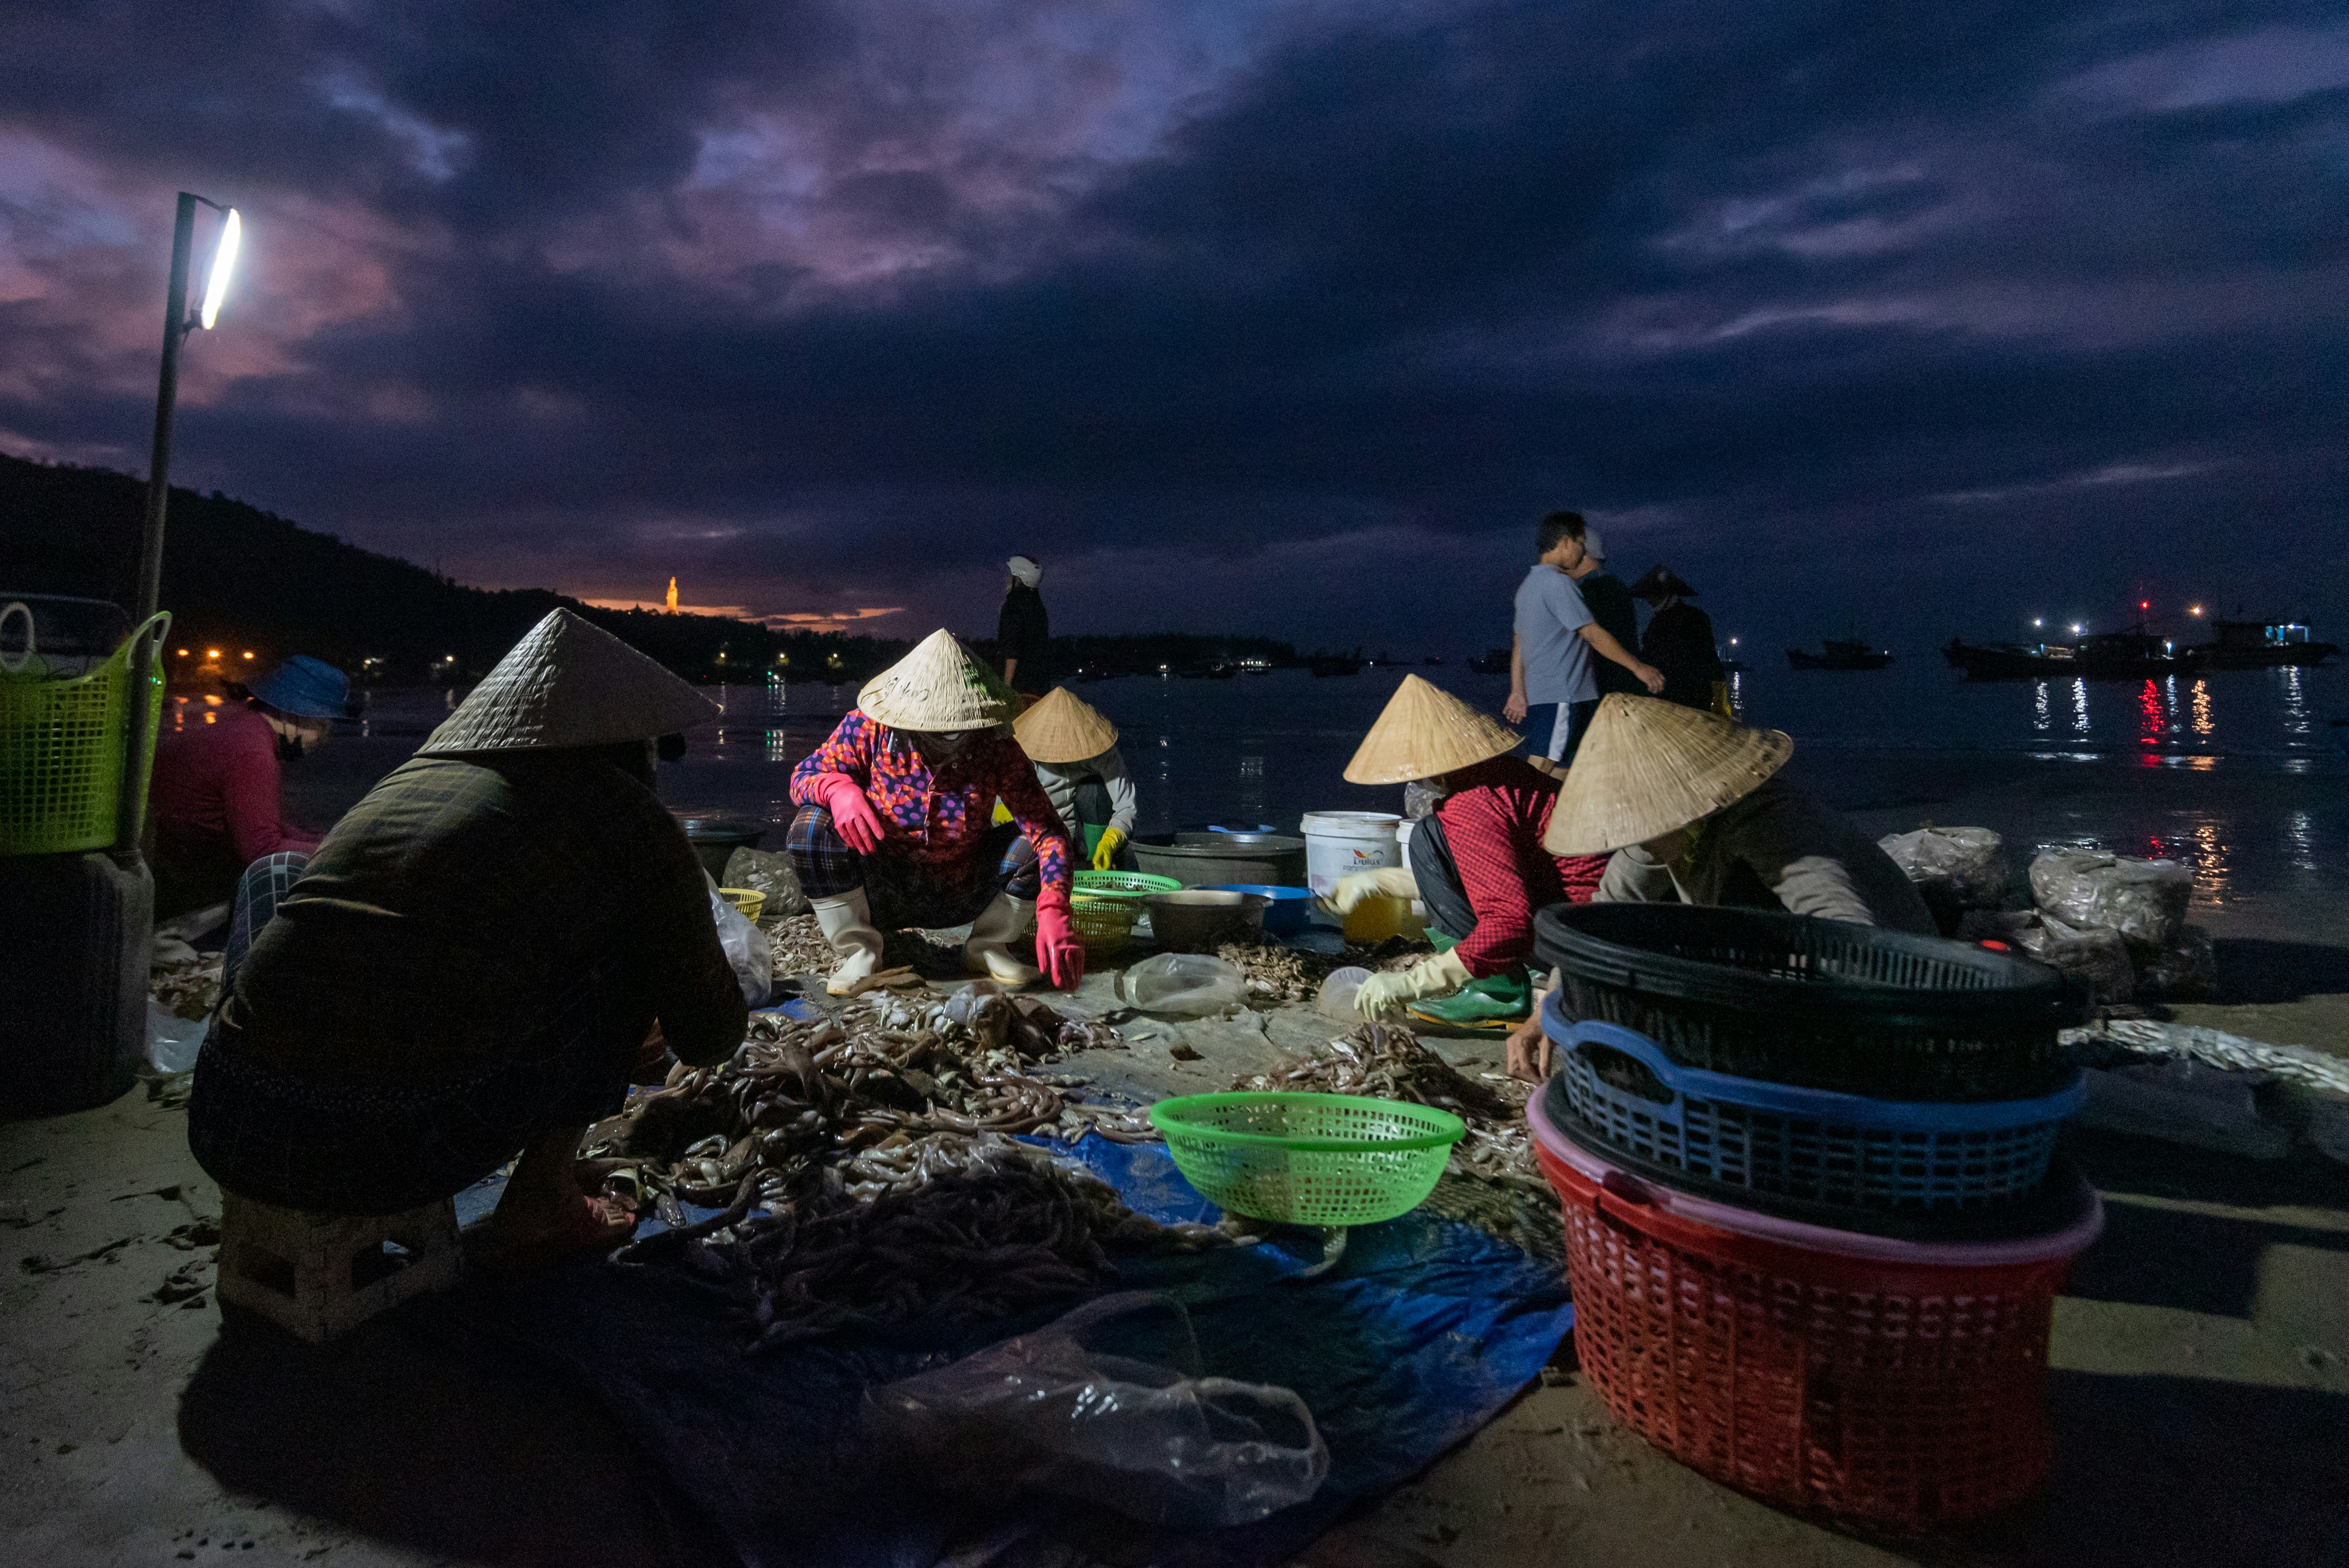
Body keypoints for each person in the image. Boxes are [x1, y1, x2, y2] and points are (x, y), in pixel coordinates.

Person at [188, 610, 746, 1269]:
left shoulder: (409, 783)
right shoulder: (629, 818)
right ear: (630, 743)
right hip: (373, 1153)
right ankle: (543, 1203)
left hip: (229, 1120)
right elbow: (711, 1036)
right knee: (623, 952)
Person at [1505, 693, 1934, 1080]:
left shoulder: (1771, 823)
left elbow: (1852, 935)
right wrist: (1545, 1010)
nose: (1630, 838)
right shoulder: (1657, 841)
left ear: (1679, 808)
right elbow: (1598, 922)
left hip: (1896, 994)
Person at [789, 629, 1083, 995]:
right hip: (881, 887)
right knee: (811, 826)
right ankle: (861, 950)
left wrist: (1055, 905)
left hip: (962, 888)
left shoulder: (997, 748)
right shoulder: (870, 729)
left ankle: (987, 945)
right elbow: (804, 776)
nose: (946, 736)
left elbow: (1050, 832)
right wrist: (837, 789)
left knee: (1038, 842)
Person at [1323, 676, 1611, 1026]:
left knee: (1426, 837)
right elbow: (1486, 874)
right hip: (1589, 921)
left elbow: (1509, 923)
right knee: (1431, 835)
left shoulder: (1471, 805)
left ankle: (1496, 991)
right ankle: (1495, 982)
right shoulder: (1504, 774)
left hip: (1578, 946)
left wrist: (1412, 983)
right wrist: (1380, 881)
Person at [147, 653, 350, 920]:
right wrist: (341, 850)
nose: (324, 738)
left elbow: (255, 823)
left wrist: (325, 840)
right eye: (323, 725)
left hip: (171, 852)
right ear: (294, 713)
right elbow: (261, 849)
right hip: (183, 877)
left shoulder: (242, 725)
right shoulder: (252, 751)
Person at [1503, 511, 1664, 773]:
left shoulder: (1528, 587)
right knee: (1537, 773)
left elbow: (1519, 644)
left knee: (1565, 770)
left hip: (1543, 696)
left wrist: (1518, 691)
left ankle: (1560, 811)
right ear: (1566, 542)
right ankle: (1506, 812)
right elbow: (1592, 633)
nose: (1581, 552)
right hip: (1563, 695)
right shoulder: (1559, 584)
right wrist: (1638, 668)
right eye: (1580, 544)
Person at [1012, 687, 1137, 871]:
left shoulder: (1101, 751)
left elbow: (1127, 806)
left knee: (1093, 789)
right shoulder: (1025, 752)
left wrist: (1111, 840)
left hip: (1082, 835)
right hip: (1040, 832)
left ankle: (1097, 865)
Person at [1630, 565, 1729, 713]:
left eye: (1652, 594)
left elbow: (1709, 658)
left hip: (1687, 699)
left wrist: (1719, 698)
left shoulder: (1694, 619)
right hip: (1670, 699)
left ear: (1666, 593)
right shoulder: (1657, 623)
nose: (1649, 600)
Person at [1576, 527, 1646, 700]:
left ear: (1583, 556)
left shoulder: (1588, 591)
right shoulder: (1619, 587)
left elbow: (1592, 637)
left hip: (1604, 687)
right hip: (1628, 683)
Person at [998, 555, 1051, 697]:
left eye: (1010, 575)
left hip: (1020, 689)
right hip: (1040, 687)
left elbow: (1012, 650)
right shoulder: (1039, 608)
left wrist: (1007, 689)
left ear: (1019, 578)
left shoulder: (1012, 606)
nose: (1007, 579)